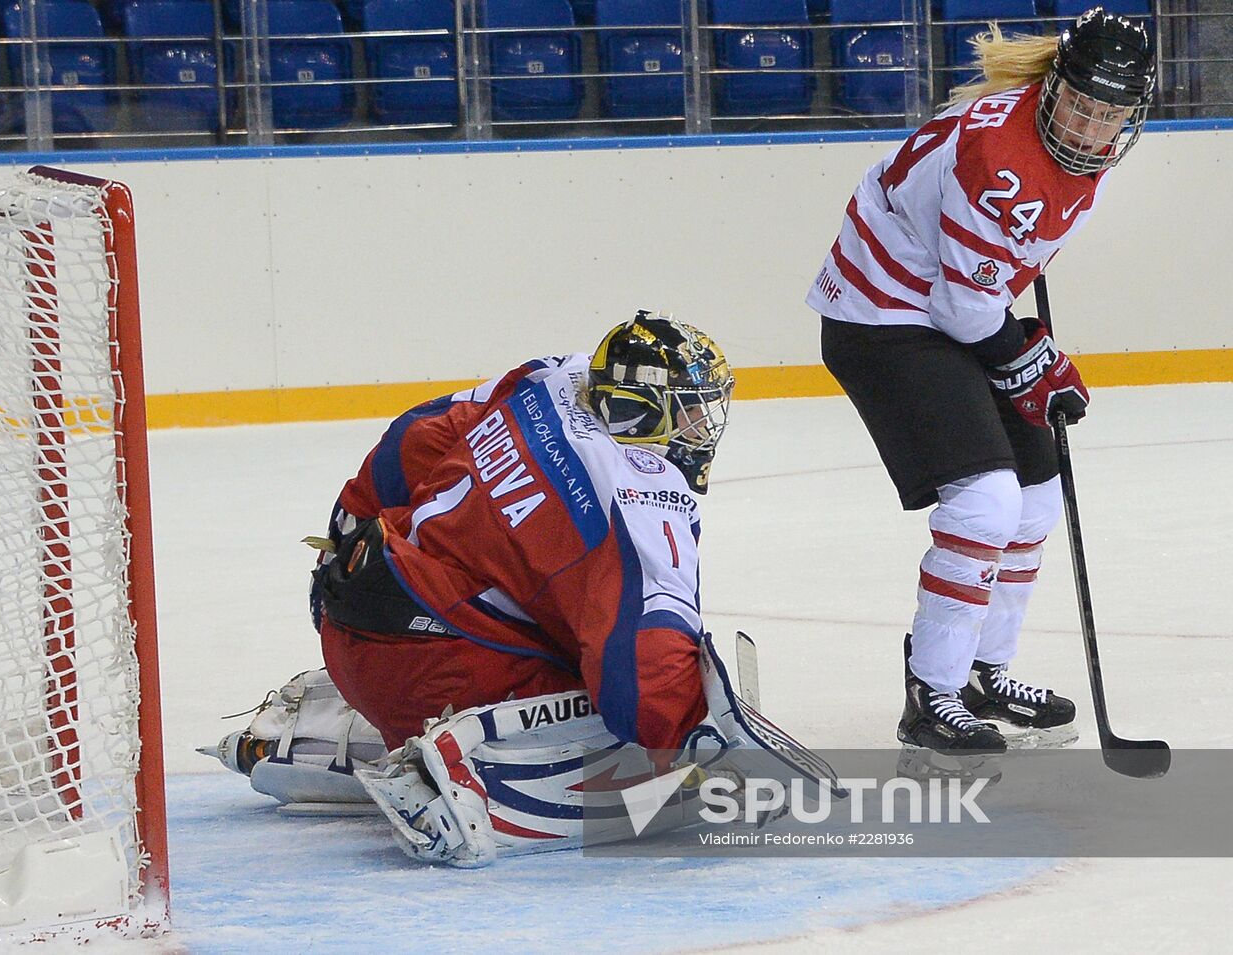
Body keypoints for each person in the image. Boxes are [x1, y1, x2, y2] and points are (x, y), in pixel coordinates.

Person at [206, 311, 838, 865]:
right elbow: (642, 684)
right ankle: (453, 781)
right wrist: (705, 748)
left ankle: (324, 729)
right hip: (436, 671)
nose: (703, 427)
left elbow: (417, 436)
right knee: (646, 745)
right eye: (692, 410)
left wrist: (354, 520)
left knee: (525, 614)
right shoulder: (641, 498)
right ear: (647, 412)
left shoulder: (551, 380)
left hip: (355, 612)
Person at [804, 7, 1155, 763]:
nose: (1090, 127)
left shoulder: (1077, 160)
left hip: (948, 301)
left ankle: (982, 672)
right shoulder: (1000, 151)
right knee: (987, 496)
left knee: (1035, 493)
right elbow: (962, 306)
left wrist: (1026, 347)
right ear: (1054, 87)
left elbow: (992, 279)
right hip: (883, 312)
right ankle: (933, 694)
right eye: (1081, 104)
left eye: (1109, 114)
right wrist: (1028, 360)